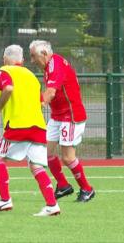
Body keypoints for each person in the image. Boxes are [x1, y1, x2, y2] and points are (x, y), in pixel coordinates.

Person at [0, 44, 60, 217]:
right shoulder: (32, 76)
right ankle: (51, 205)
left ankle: (5, 200)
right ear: (22, 60)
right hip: (38, 127)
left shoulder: (3, 71)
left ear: (5, 59)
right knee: (36, 166)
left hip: (17, 126)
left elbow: (9, 88)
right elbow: (41, 101)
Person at [29, 40, 95, 202]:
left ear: (44, 54)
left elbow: (50, 92)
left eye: (33, 56)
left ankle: (87, 189)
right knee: (44, 153)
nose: (32, 61)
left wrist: (35, 108)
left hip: (70, 116)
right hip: (57, 116)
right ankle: (63, 186)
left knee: (67, 158)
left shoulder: (55, 64)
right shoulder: (48, 66)